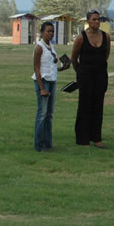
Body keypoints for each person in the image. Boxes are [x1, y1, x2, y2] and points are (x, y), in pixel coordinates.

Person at [71, 9, 111, 148]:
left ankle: (97, 138)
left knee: (98, 106)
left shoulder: (106, 37)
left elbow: (106, 55)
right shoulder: (81, 37)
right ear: (88, 21)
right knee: (84, 106)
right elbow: (74, 58)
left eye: (98, 19)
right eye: (94, 19)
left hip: (100, 76)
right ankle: (83, 138)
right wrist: (81, 72)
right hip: (85, 76)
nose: (97, 22)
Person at [32, 22, 70, 151]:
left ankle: (48, 143)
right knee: (42, 113)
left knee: (49, 114)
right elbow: (37, 69)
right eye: (48, 31)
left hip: (52, 80)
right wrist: (42, 88)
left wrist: (62, 68)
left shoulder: (51, 46)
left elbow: (50, 66)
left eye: (52, 31)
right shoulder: (39, 47)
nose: (51, 33)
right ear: (42, 32)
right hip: (43, 81)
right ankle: (39, 144)